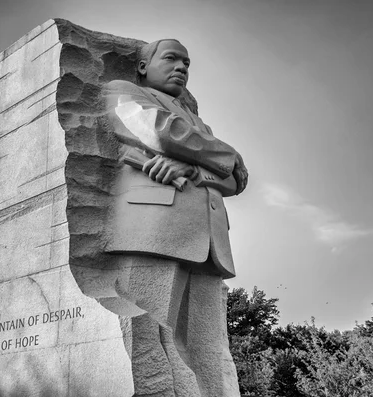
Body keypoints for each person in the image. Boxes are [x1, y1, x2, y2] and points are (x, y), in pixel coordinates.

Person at [101, 39, 248, 397]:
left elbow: (236, 179)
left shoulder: (200, 124)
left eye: (187, 62)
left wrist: (195, 168)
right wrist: (227, 154)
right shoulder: (123, 92)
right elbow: (162, 132)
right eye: (171, 58)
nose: (182, 67)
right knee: (149, 337)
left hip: (209, 240)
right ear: (142, 66)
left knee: (209, 352)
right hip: (154, 225)